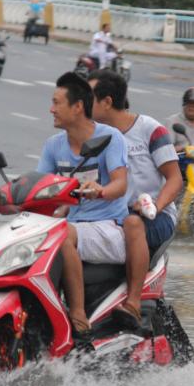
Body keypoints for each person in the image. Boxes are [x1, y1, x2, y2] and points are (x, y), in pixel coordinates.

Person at [37, 72, 129, 333]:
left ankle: (77, 313)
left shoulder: (110, 138)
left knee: (60, 233)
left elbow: (120, 184)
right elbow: (41, 186)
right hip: (74, 225)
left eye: (57, 103)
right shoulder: (53, 145)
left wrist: (100, 191)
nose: (51, 109)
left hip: (109, 227)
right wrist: (9, 200)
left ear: (78, 107)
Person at [89, 69, 182, 325]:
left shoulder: (151, 130)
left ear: (107, 102)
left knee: (133, 223)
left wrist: (154, 205)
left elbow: (175, 179)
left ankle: (132, 302)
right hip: (109, 216)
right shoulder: (94, 136)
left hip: (154, 217)